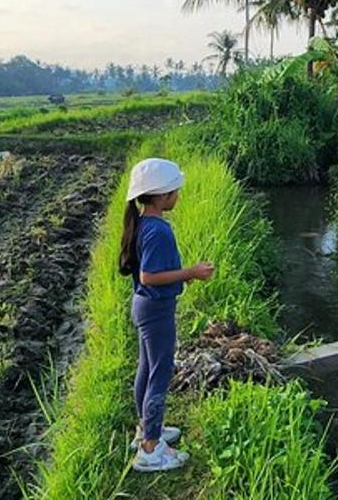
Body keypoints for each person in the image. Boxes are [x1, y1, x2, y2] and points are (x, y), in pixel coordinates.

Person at [118, 157, 215, 472]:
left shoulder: (144, 222)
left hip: (145, 306)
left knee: (146, 369)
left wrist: (179, 275)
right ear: (161, 196)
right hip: (157, 310)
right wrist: (192, 271)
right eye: (175, 191)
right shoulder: (157, 230)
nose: (178, 195)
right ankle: (150, 449)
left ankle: (146, 429)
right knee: (160, 374)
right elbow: (149, 276)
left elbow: (153, 273)